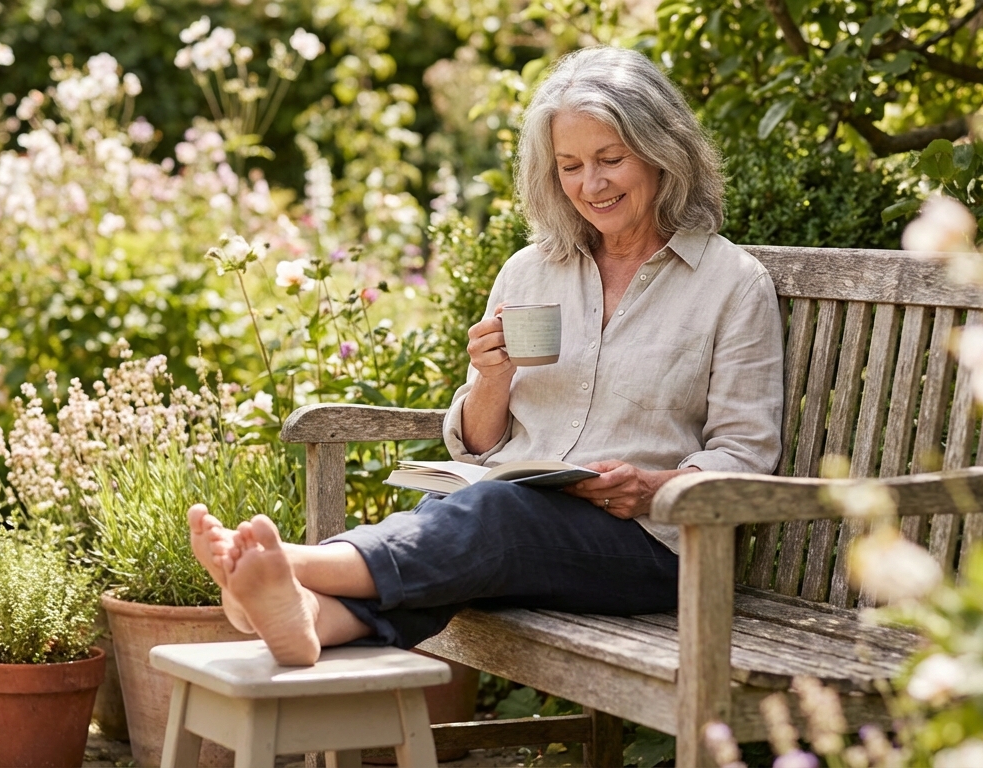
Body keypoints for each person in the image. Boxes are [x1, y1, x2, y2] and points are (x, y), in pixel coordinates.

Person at [187, 45, 785, 666]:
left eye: (611, 159)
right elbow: (474, 443)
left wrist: (655, 487)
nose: (591, 184)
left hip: (651, 548)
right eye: (570, 165)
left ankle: (290, 563)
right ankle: (306, 615)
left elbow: (744, 456)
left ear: (663, 153)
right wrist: (493, 380)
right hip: (516, 524)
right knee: (455, 510)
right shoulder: (531, 272)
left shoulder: (731, 284)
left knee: (493, 519)